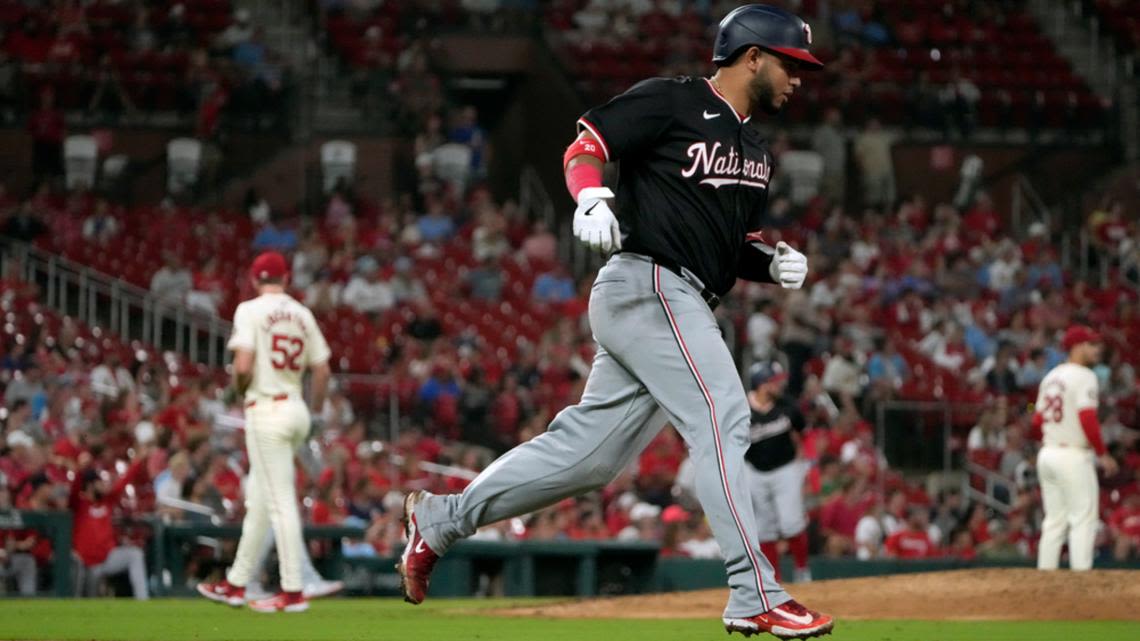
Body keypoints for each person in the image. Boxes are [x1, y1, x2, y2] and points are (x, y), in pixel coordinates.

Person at [396, 5, 833, 638]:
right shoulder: (674, 100)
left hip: (675, 299)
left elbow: (728, 243)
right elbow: (588, 145)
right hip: (649, 284)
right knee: (724, 416)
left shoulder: (755, 150)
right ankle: (752, 591)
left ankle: (442, 518)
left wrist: (770, 261)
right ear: (753, 56)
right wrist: (589, 193)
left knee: (588, 459)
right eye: (792, 64)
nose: (799, 78)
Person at [197, 251, 332, 612]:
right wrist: (315, 410)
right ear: (286, 279)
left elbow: (243, 365)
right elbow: (321, 371)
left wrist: (237, 389)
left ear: (256, 280)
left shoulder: (250, 310)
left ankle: (292, 591)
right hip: (296, 408)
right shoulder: (303, 314)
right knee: (259, 500)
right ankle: (237, 583)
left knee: (279, 502)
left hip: (266, 410)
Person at [1032, 325, 1116, 572]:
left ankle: (1044, 580)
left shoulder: (1051, 376)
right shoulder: (1084, 376)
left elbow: (1036, 421)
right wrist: (1103, 453)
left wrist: (1054, 436)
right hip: (1073, 455)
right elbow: (1088, 418)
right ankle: (1081, 581)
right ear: (1076, 347)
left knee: (1054, 521)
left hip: (1048, 453)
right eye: (1091, 344)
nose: (1096, 348)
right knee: (1083, 519)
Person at [743, 361, 812, 583]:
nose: (778, 385)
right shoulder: (742, 409)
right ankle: (775, 580)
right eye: (773, 381)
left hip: (786, 468)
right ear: (761, 384)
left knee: (791, 523)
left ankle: (802, 571)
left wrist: (804, 460)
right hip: (754, 471)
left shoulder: (787, 405)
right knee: (764, 529)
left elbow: (803, 432)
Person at [71, 450, 150, 599]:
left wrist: (138, 461)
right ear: (90, 485)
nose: (103, 484)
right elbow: (74, 490)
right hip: (86, 562)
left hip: (107, 558)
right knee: (87, 598)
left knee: (135, 554)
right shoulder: (80, 504)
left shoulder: (107, 501)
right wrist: (80, 469)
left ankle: (143, 600)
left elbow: (124, 480)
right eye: (99, 482)